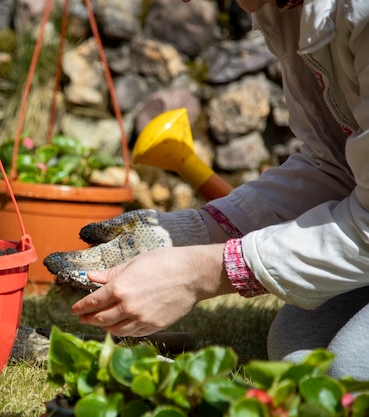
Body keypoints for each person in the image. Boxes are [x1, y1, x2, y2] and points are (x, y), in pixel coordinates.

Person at [43, 0, 369, 380]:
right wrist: (194, 233)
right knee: (296, 346)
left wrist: (200, 274)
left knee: (347, 366)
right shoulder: (282, 10)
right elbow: (333, 166)